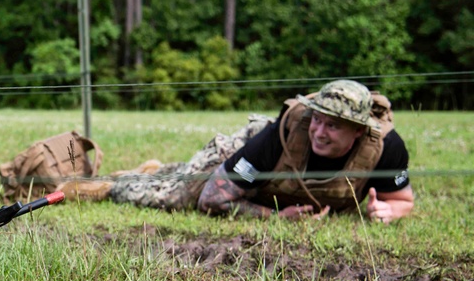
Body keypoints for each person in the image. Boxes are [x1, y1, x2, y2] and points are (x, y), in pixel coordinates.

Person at [106, 80, 413, 224]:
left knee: (178, 179)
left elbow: (402, 201)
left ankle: (160, 170)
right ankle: (108, 183)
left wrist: (388, 211)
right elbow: (211, 200)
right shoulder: (284, 133)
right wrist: (276, 216)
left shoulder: (386, 147)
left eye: (332, 126)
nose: (319, 132)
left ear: (358, 130)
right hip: (244, 154)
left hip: (269, 178)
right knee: (173, 197)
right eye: (316, 120)